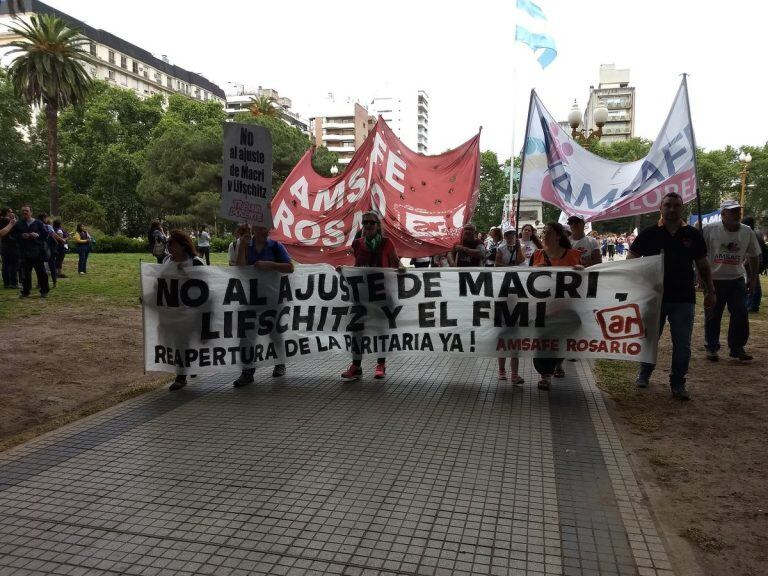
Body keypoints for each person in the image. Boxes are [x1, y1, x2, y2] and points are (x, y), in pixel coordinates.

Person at [628, 192, 715, 401]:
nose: (672, 209)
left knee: (682, 343)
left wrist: (711, 291)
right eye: (668, 205)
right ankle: (644, 373)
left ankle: (678, 382)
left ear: (682, 208)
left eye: (676, 205)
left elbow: (703, 266)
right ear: (660, 208)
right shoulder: (649, 234)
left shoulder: (692, 235)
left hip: (683, 298)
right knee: (649, 339)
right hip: (653, 297)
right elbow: (630, 261)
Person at [341, 210, 402, 380]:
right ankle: (356, 365)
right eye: (365, 222)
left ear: (377, 225)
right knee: (357, 330)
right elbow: (353, 265)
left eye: (371, 222)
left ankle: (380, 364)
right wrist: (344, 270)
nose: (368, 225)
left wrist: (402, 268)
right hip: (361, 295)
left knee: (381, 330)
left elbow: (396, 263)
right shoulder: (357, 244)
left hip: (382, 294)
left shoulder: (387, 243)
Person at [234, 223, 295, 386]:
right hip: (250, 299)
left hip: (272, 299)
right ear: (253, 229)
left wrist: (271, 265)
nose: (264, 230)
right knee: (246, 336)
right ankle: (247, 371)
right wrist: (242, 246)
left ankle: (279, 363)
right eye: (260, 227)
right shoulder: (246, 245)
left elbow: (290, 267)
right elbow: (239, 269)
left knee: (274, 333)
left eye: (266, 227)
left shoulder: (276, 246)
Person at [702, 200, 760, 363]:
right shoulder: (709, 230)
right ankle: (712, 347)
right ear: (723, 214)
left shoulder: (747, 231)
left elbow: (754, 255)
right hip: (714, 280)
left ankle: (737, 347)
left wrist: (754, 278)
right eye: (732, 211)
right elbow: (700, 255)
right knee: (713, 315)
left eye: (738, 211)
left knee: (741, 313)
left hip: (737, 279)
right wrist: (701, 277)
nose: (737, 214)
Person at [529, 222, 583, 390]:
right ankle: (545, 375)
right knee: (543, 342)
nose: (544, 234)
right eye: (543, 231)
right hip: (543, 308)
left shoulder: (573, 255)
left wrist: (582, 271)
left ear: (558, 236)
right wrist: (535, 270)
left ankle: (558, 362)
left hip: (567, 308)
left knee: (561, 340)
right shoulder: (537, 255)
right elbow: (526, 280)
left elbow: (585, 280)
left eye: (549, 232)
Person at [163, 230, 206, 391]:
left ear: (183, 246)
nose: (169, 247)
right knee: (179, 342)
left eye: (171, 244)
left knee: (183, 342)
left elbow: (207, 287)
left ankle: (181, 376)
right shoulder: (167, 261)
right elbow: (160, 283)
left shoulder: (196, 263)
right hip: (173, 311)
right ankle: (189, 367)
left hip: (192, 311)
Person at [495, 228, 526, 384]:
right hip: (505, 292)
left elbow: (521, 261)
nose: (510, 237)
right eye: (507, 235)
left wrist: (518, 248)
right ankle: (501, 370)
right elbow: (497, 264)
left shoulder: (521, 247)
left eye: (512, 235)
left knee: (515, 343)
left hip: (517, 294)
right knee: (503, 340)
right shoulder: (500, 248)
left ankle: (514, 373)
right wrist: (508, 266)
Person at [11, 205, 49, 298]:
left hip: (37, 251)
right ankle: (25, 291)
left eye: (26, 211)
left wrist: (37, 235)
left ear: (31, 212)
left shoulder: (38, 223)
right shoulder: (19, 224)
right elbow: (13, 235)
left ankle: (44, 291)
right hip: (24, 252)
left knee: (41, 273)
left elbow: (45, 234)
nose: (25, 212)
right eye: (23, 211)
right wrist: (21, 236)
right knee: (25, 274)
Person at [741, 216, 766, 312]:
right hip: (759, 262)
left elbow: (751, 252)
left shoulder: (751, 234)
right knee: (755, 282)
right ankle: (752, 303)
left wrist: (744, 263)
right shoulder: (758, 233)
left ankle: (753, 304)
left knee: (753, 283)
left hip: (753, 262)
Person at [0, 207, 20, 289]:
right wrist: (12, 222)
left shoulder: (2, 221)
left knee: (6, 264)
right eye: (11, 212)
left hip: (4, 245)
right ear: (8, 213)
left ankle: (7, 283)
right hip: (12, 245)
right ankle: (14, 283)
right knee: (14, 264)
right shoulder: (8, 221)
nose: (13, 213)